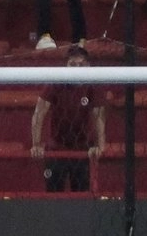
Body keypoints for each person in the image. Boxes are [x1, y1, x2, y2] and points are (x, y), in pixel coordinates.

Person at [30, 46, 106, 192]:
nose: (77, 68)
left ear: (88, 66)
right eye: (72, 64)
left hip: (82, 149)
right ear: (66, 66)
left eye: (81, 64)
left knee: (82, 197)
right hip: (56, 148)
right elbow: (39, 113)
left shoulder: (92, 85)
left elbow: (99, 118)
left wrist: (100, 145)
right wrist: (36, 144)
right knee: (53, 196)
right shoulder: (56, 82)